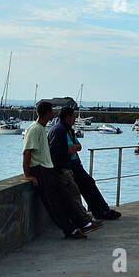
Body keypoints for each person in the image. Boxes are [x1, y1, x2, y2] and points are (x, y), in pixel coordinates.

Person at [24, 101, 99, 239]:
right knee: (53, 203)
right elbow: (27, 152)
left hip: (49, 168)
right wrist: (27, 174)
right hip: (40, 170)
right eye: (51, 110)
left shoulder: (42, 128)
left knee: (66, 197)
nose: (53, 113)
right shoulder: (34, 129)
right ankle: (69, 230)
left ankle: (83, 223)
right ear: (47, 113)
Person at [49, 106, 121, 221]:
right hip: (69, 165)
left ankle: (102, 210)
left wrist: (73, 147)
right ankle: (100, 212)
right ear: (67, 117)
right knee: (86, 185)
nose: (74, 119)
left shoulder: (68, 130)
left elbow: (78, 147)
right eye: (73, 116)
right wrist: (73, 148)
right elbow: (67, 149)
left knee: (89, 184)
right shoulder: (59, 130)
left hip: (74, 163)